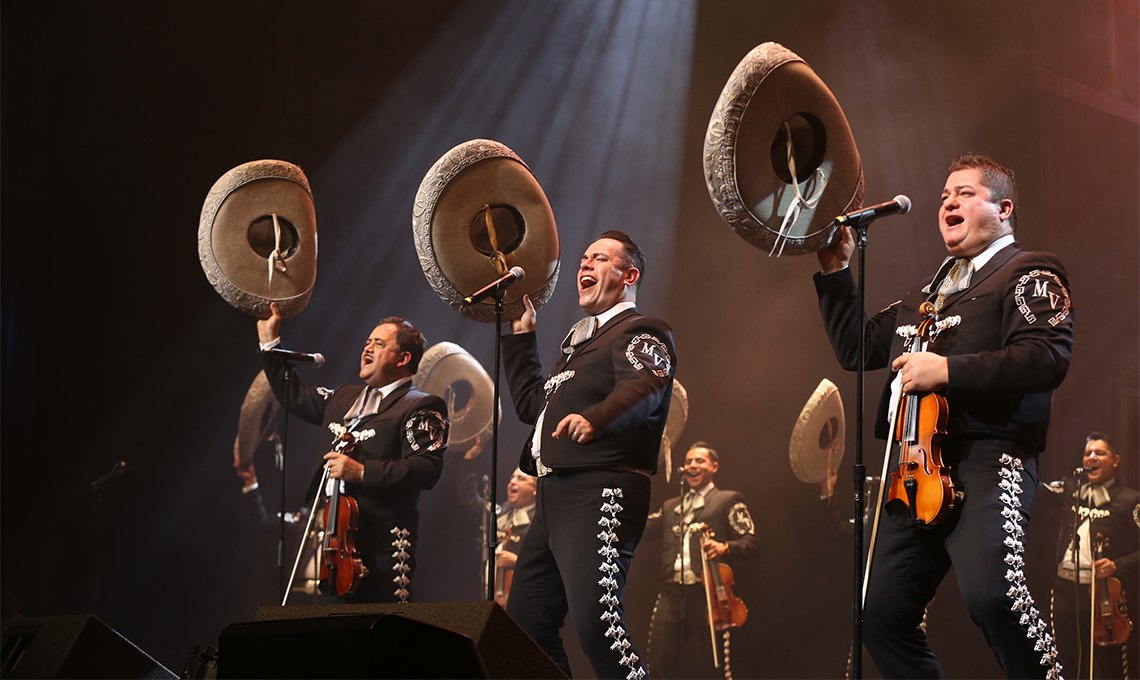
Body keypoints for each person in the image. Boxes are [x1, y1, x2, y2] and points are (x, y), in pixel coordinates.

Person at [813, 153, 1074, 678]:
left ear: (1003, 208)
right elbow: (857, 349)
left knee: (996, 596)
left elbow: (1047, 356)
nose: (948, 202)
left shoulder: (1028, 271)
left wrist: (948, 371)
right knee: (879, 615)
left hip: (987, 456)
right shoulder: (924, 296)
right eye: (943, 196)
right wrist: (836, 271)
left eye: (965, 193)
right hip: (911, 471)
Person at [502, 230, 677, 679]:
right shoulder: (577, 347)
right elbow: (530, 407)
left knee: (601, 629)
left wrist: (595, 417)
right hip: (554, 494)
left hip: (602, 487)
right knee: (525, 627)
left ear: (629, 274)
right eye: (582, 259)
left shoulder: (640, 329)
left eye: (598, 259)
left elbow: (647, 386)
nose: (584, 266)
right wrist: (523, 339)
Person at [256, 303, 449, 603]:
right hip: (337, 539)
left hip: (384, 543)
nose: (367, 348)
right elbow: (295, 395)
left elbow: (426, 469)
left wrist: (360, 471)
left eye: (379, 343)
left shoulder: (421, 405)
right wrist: (271, 344)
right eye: (367, 342)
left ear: (404, 358)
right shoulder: (346, 396)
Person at [647, 442, 758, 679]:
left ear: (714, 466)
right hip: (672, 592)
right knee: (659, 664)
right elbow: (642, 528)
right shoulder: (671, 506)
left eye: (699, 461)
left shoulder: (728, 500)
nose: (692, 466)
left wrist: (724, 547)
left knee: (709, 668)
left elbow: (751, 542)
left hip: (707, 593)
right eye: (688, 462)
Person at [1048, 432, 1139, 679]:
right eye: (1088, 453)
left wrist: (1117, 565)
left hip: (1105, 594)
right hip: (1066, 588)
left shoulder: (1131, 500)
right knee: (1065, 659)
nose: (1091, 457)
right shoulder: (1069, 489)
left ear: (1116, 460)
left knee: (1109, 666)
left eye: (1099, 453)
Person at [493, 467, 537, 607]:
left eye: (521, 478)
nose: (512, 482)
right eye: (512, 477)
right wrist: (467, 461)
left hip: (523, 596)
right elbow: (469, 500)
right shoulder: (502, 512)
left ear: (535, 490)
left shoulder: (538, 521)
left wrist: (516, 562)